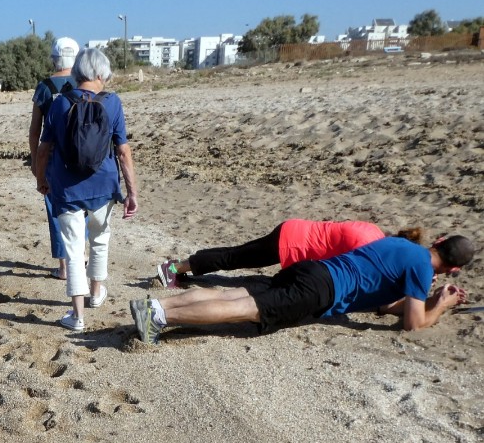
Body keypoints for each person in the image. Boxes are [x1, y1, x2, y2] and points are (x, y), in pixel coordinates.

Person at [131, 235, 475, 344]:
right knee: (247, 310)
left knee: (234, 295)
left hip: (315, 269)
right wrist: (440, 305)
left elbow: (387, 306)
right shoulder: (421, 267)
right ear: (453, 268)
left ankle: (157, 304)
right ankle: (158, 315)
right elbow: (412, 323)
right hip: (322, 290)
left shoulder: (403, 244)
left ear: (440, 240)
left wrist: (425, 300)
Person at [35, 48, 139, 331]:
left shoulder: (58, 104)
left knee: (72, 249)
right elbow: (123, 152)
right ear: (98, 74)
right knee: (100, 240)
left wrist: (40, 179)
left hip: (67, 188)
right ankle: (96, 293)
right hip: (104, 186)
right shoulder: (113, 103)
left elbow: (44, 149)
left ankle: (77, 317)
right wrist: (132, 193)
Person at [158, 219, 390, 287]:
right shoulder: (368, 247)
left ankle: (180, 267)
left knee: (236, 254)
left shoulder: (374, 231)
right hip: (292, 243)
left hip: (296, 229)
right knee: (234, 258)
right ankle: (173, 268)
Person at [30, 37, 79, 280]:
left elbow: (35, 129)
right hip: (82, 157)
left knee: (56, 211)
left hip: (52, 159)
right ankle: (80, 258)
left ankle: (64, 267)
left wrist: (33, 159)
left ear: (54, 58)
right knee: (82, 208)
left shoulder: (45, 87)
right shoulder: (85, 83)